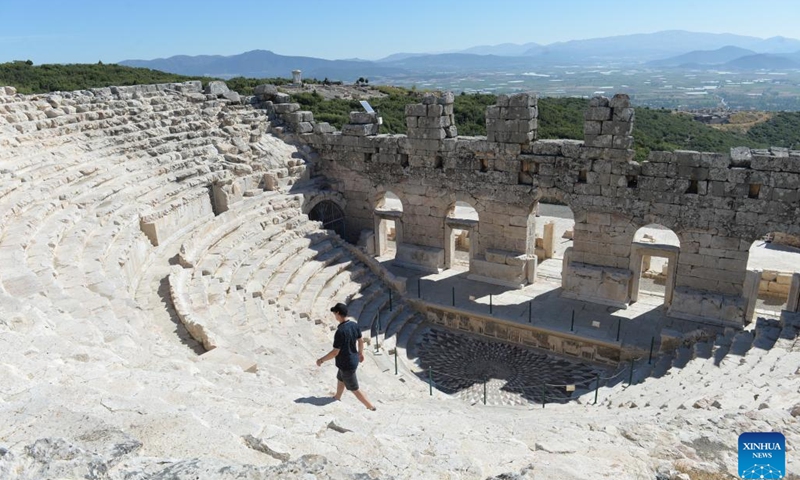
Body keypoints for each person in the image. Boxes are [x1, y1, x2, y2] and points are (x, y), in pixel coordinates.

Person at [316, 302, 376, 411]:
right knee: (340, 378)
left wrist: (321, 360)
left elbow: (335, 352)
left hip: (347, 363)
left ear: (338, 313)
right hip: (351, 359)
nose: (334, 316)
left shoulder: (340, 331)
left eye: (334, 313)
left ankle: (370, 406)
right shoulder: (354, 325)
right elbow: (360, 340)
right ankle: (337, 397)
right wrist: (360, 353)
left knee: (354, 388)